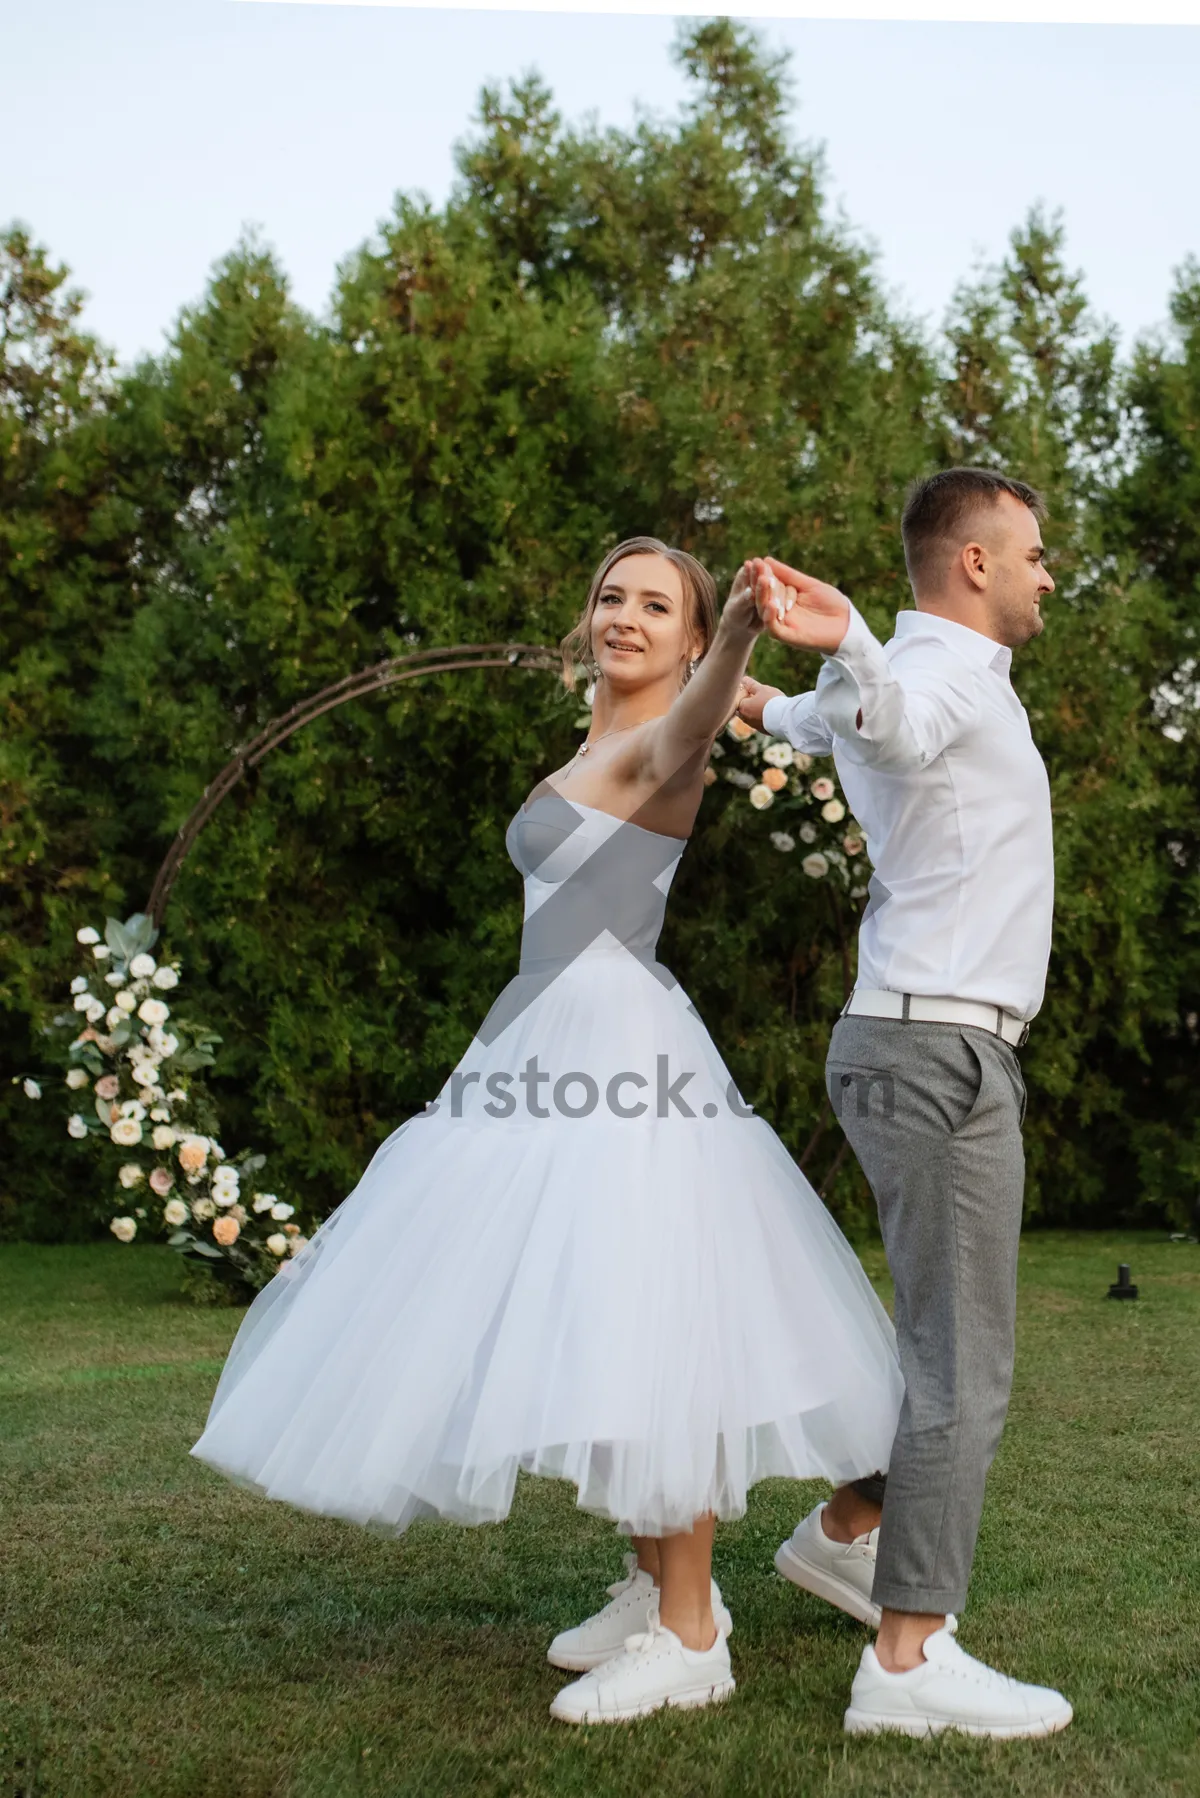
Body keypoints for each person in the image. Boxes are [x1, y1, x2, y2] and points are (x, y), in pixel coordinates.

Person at [191, 536, 904, 1726]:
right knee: (589, 1310)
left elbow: (692, 727)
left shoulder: (669, 738)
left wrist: (735, 631)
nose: (626, 617)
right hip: (532, 1045)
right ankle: (649, 1585)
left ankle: (690, 1635)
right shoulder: (590, 741)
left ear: (686, 640)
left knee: (641, 1307)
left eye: (656, 606)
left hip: (618, 1056)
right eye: (612, 597)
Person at [737, 468, 1074, 1739]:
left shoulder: (934, 680)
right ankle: (907, 1658)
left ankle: (846, 1533)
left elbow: (810, 726)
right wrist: (856, 646)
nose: (1047, 572)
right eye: (1032, 552)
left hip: (917, 1044)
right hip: (937, 1052)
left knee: (937, 1343)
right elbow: (889, 726)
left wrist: (759, 683)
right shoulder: (933, 675)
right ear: (973, 562)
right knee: (961, 1362)